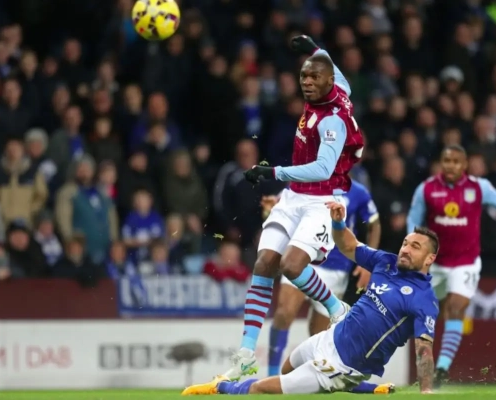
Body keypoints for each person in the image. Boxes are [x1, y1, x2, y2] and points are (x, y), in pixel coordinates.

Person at [181, 202, 439, 396]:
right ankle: (368, 389)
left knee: (262, 388)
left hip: (343, 365)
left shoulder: (424, 299)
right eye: (405, 243)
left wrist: (426, 391)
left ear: (430, 258)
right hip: (331, 336)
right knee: (287, 368)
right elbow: (349, 246)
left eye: (415, 247)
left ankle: (220, 387)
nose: (405, 249)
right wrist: (338, 224)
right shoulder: (386, 262)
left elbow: (424, 349)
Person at [223, 35, 365, 380]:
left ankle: (336, 307)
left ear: (328, 82)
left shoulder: (332, 120)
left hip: (322, 200)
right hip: (293, 197)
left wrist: (273, 172)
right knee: (264, 263)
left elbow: (323, 168)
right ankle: (246, 355)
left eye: (314, 77)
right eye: (304, 76)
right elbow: (328, 62)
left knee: (290, 265)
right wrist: (313, 46)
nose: (307, 82)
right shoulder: (337, 86)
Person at [406, 144, 496, 387]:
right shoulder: (426, 189)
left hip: (466, 263)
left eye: (456, 161)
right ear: (441, 163)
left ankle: (442, 368)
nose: (451, 165)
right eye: (447, 161)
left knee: (456, 307)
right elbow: (413, 219)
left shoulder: (478, 188)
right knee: (422, 309)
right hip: (435, 263)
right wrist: (412, 248)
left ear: (465, 165)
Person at [265, 180, 389, 394]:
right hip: (302, 258)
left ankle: (308, 383)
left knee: (319, 335)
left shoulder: (358, 191)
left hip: (336, 268)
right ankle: (272, 374)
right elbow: (279, 212)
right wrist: (269, 211)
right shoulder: (303, 182)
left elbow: (374, 224)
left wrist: (368, 265)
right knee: (284, 313)